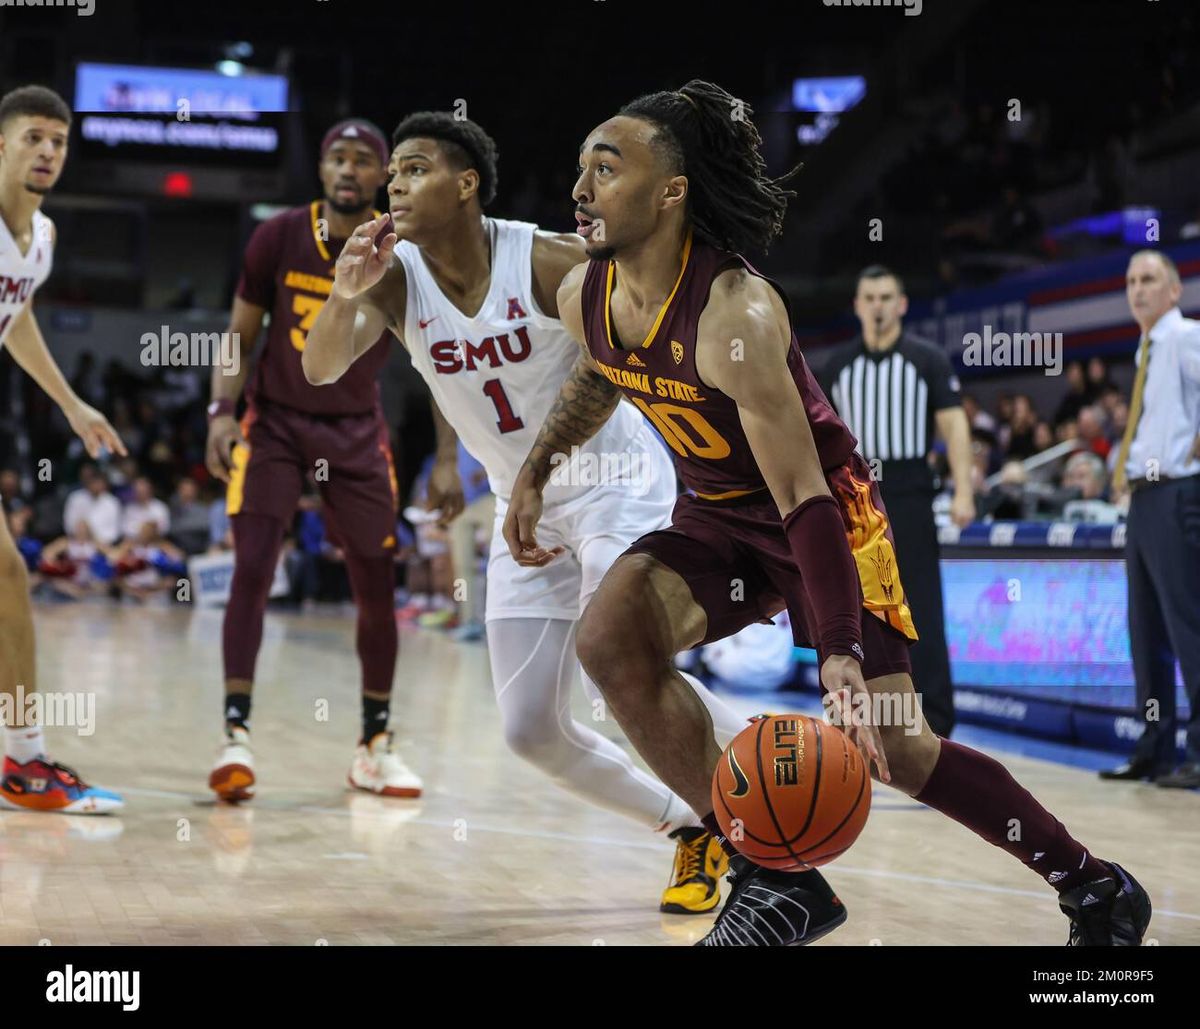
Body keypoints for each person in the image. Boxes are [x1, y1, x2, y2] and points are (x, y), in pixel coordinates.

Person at [505, 79, 1151, 946]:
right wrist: (537, 466)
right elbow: (597, 370)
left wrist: (839, 652)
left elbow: (805, 495)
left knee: (901, 748)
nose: (581, 188)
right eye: (580, 168)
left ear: (671, 191)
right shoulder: (585, 295)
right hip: (717, 514)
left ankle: (1095, 886)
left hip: (825, 516)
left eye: (607, 167)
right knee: (609, 638)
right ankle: (774, 878)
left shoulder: (737, 311)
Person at [302, 110, 748, 913]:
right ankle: (692, 828)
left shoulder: (545, 259)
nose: (392, 183)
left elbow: (615, 357)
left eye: (413, 168)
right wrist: (344, 292)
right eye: (391, 173)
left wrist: (544, 465)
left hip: (614, 479)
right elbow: (321, 366)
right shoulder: (395, 277)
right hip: (524, 507)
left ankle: (771, 773)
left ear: (466, 183)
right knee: (529, 730)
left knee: (616, 662)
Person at [203, 118, 419, 801]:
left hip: (357, 431)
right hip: (275, 425)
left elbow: (438, 353)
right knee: (252, 566)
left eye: (362, 159)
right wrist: (220, 413)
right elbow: (239, 333)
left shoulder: (402, 248)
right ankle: (235, 735)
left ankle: (375, 743)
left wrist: (446, 457)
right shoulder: (277, 236)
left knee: (377, 583)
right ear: (321, 171)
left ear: (382, 175)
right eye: (336, 157)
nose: (348, 169)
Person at [0, 85, 124, 813]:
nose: (48, 151)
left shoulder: (39, 239)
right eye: (33, 138)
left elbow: (14, 316)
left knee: (8, 577)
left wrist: (72, 404)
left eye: (59, 140)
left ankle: (22, 759)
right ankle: (21, 758)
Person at [819, 264, 973, 737]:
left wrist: (964, 489)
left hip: (909, 491)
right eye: (871, 298)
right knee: (853, 605)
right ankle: (856, 716)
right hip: (855, 495)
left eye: (887, 297)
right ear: (858, 306)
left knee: (921, 603)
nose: (879, 306)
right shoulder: (837, 367)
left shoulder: (927, 360)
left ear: (902, 305)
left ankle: (935, 720)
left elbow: (954, 426)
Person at [1101, 250, 1200, 789]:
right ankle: (1154, 748)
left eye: (1150, 279)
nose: (1138, 289)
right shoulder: (1146, 349)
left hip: (1178, 493)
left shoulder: (1185, 337)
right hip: (1143, 498)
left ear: (1175, 290)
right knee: (1146, 632)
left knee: (1189, 626)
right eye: (1131, 280)